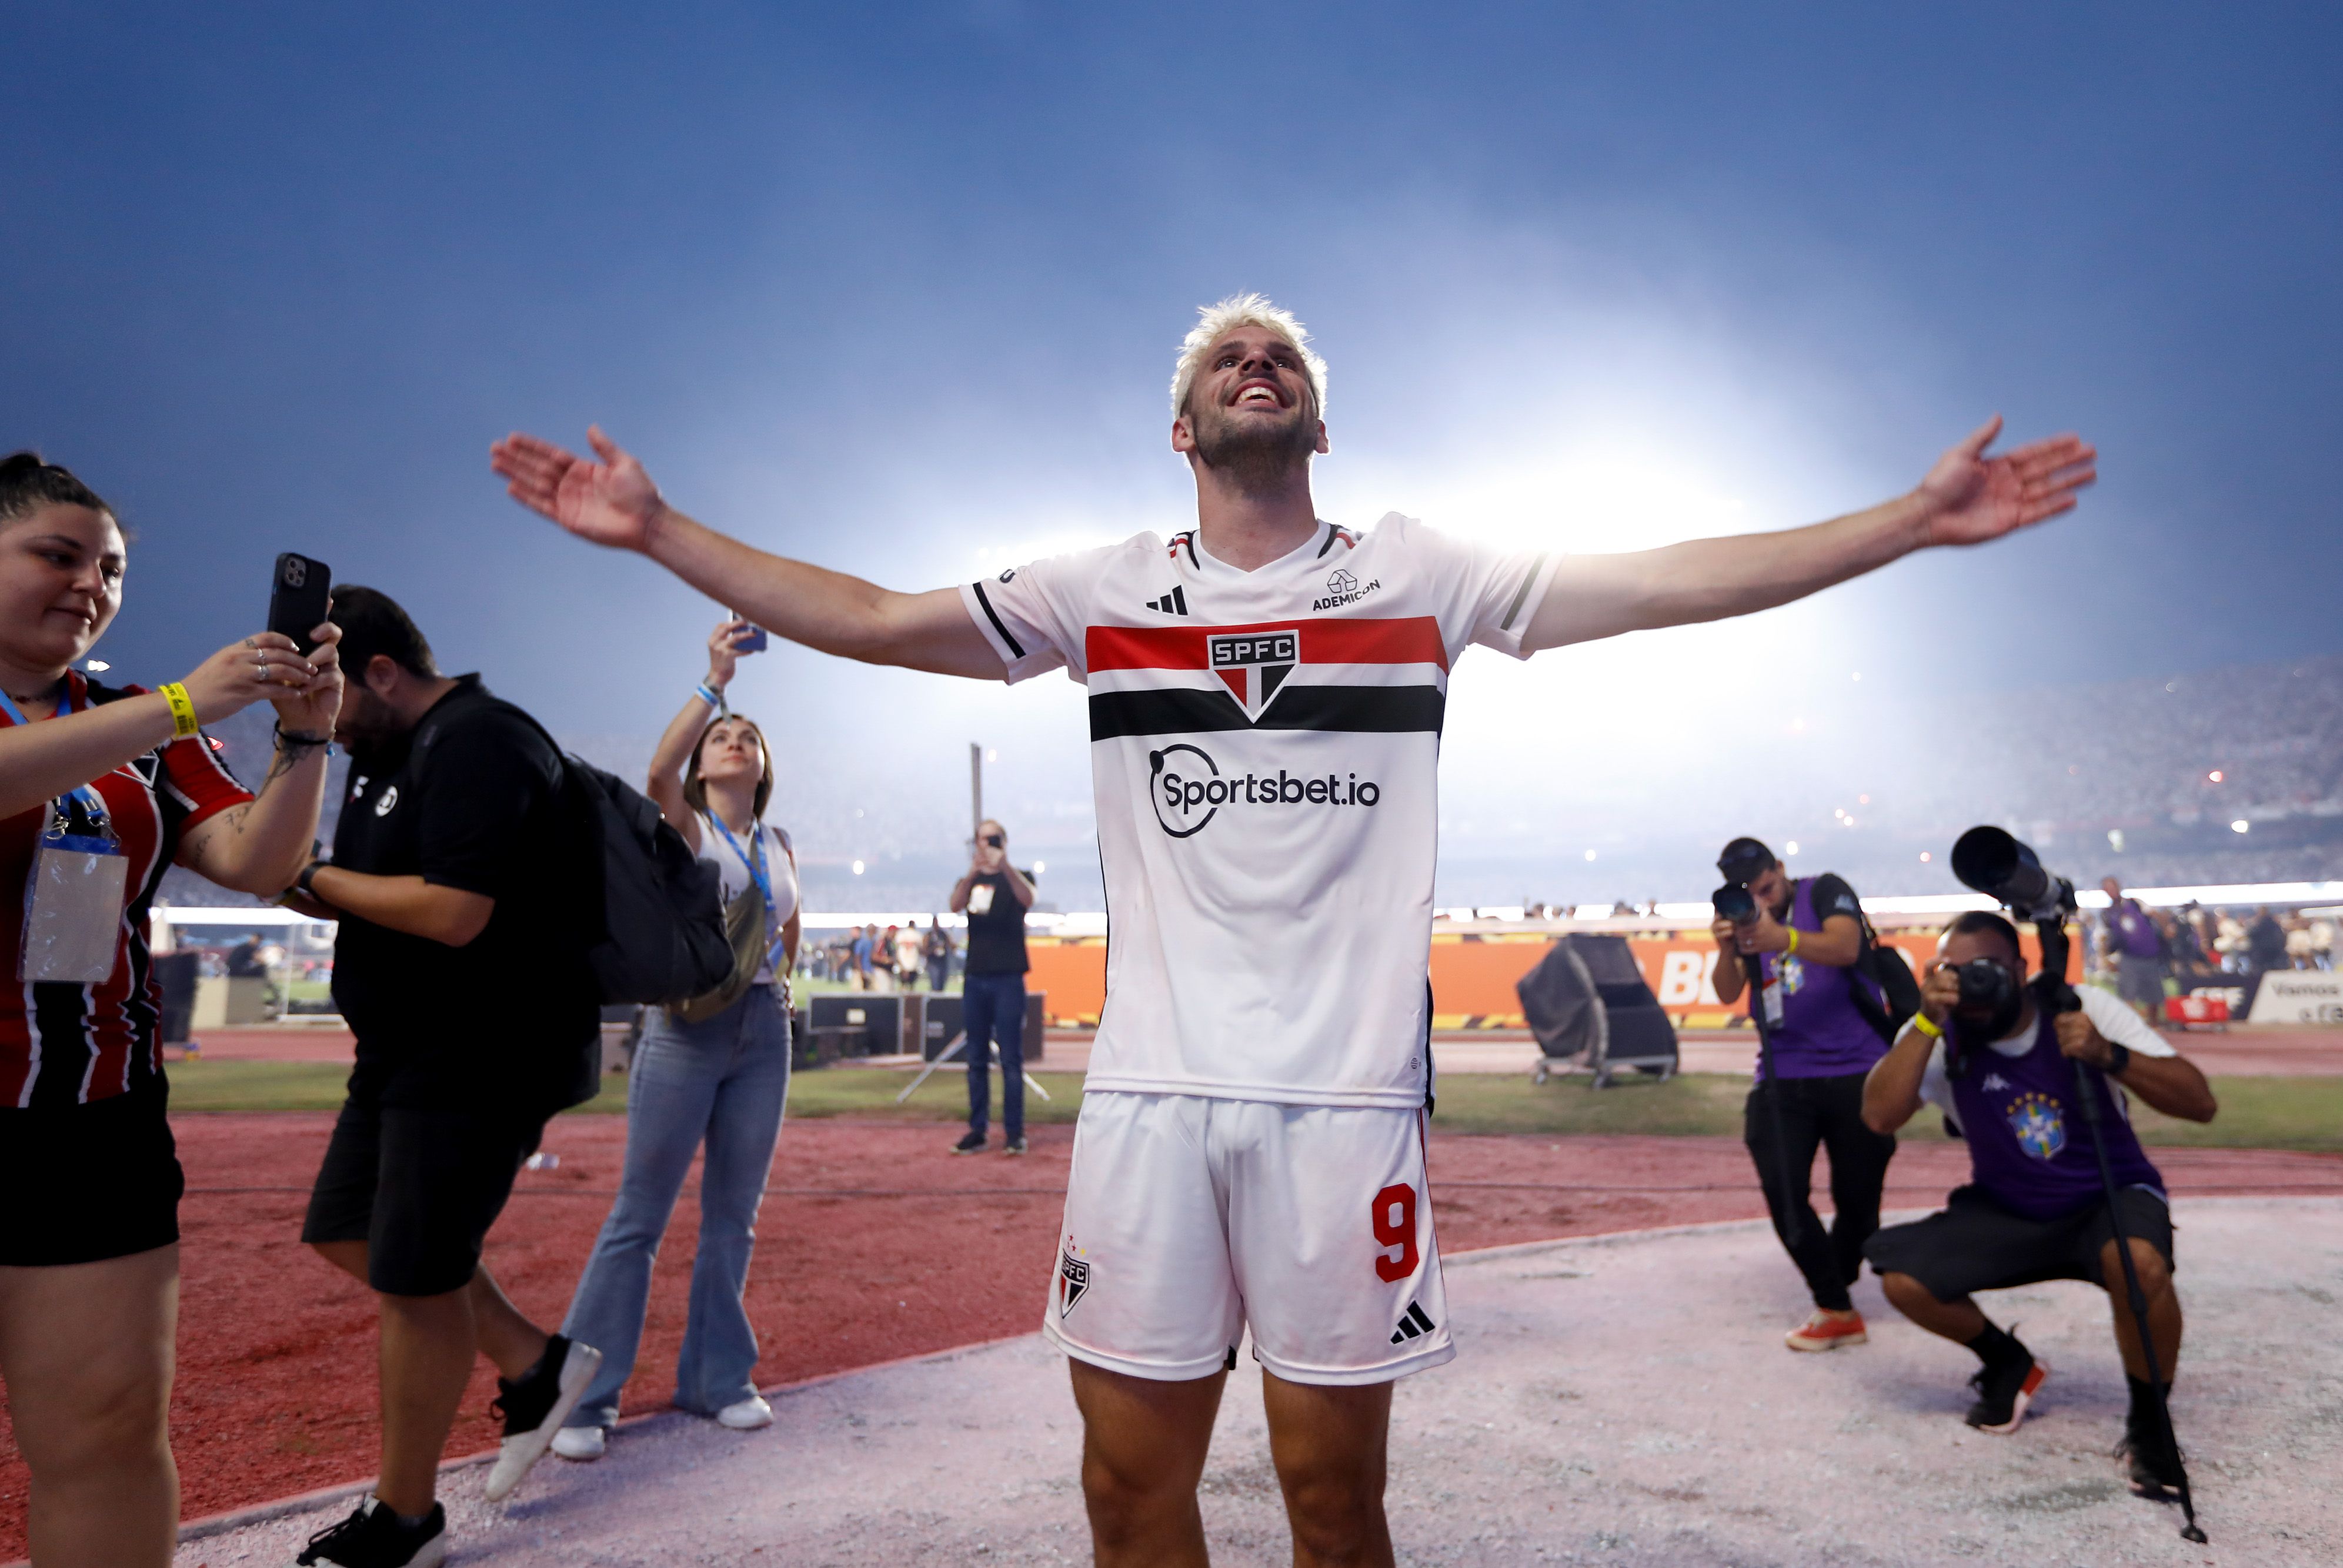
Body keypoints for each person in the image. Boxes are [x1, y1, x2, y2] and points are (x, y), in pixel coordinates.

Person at [493, 291, 2095, 1565]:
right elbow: (881, 616)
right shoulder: (1103, 588)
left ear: (1317, 415)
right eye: (1224, 358)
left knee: (1337, 1516)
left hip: (1343, 1111)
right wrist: (661, 529)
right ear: (1179, 425)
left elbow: (1668, 580)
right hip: (1149, 1101)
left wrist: (1902, 520)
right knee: (1128, 1503)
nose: (1255, 365)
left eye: (1282, 356)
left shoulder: (1419, 572)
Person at [0, 453, 341, 1568]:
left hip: (89, 1122)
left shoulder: (130, 717)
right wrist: (186, 700)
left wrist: (303, 741)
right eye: (57, 555)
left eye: (111, 570)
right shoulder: (155, 712)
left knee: (105, 1432)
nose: (90, 585)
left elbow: (253, 860)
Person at [286, 587, 604, 1568]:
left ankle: (406, 1518)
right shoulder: (386, 753)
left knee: (415, 1275)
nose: (323, 732)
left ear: (378, 672)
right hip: (403, 1050)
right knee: (347, 1228)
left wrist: (306, 879)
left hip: (480, 1049)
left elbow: (456, 911)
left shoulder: (478, 740)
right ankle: (536, 1362)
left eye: (326, 703)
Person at [553, 618, 799, 1463]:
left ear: (763, 767)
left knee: (735, 1218)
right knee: (639, 1215)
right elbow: (656, 769)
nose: (735, 741)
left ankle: (718, 1377)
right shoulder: (687, 827)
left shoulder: (779, 841)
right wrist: (715, 682)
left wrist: (784, 982)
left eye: (747, 737)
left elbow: (780, 921)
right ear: (703, 764)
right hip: (686, 1028)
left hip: (765, 1030)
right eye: (722, 736)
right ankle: (582, 1396)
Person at [1860, 912, 2216, 1497]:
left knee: (2139, 1264)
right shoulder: (1938, 1027)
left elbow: (2200, 1103)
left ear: (2021, 971)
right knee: (1902, 1279)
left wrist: (2109, 1056)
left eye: (1988, 971)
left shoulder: (2080, 1008)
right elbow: (1877, 1116)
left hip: (2107, 1195)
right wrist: (1924, 1018)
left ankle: (2151, 1424)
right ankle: (2007, 1363)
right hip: (2009, 1208)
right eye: (1955, 970)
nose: (1973, 985)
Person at [1708, 840, 1897, 1352]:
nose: (1760, 900)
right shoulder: (1744, 920)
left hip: (1858, 1070)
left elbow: (1845, 947)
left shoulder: (1825, 891)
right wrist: (1730, 945)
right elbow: (1727, 992)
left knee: (1858, 1204)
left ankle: (1837, 1274)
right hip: (1782, 1074)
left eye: (1767, 887)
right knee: (1784, 1191)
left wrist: (1779, 936)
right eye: (1749, 893)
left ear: (1782, 872)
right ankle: (1835, 1305)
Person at [950, 819, 1036, 1155]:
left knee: (1011, 1060)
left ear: (1004, 841)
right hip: (976, 977)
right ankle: (978, 1130)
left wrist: (1005, 867)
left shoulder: (1020, 875)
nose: (985, 845)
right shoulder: (970, 881)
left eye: (992, 839)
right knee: (975, 1059)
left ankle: (1015, 1132)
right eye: (980, 840)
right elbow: (954, 904)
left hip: (1009, 978)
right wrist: (974, 873)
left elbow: (1027, 898)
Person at [2100, 877, 2167, 1026]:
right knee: (2128, 992)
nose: (2111, 891)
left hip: (2149, 954)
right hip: (2128, 956)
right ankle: (2132, 1027)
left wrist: (2166, 931)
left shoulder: (2135, 903)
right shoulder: (2108, 913)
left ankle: (2153, 1025)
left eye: (2112, 887)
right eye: (2107, 889)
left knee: (2154, 995)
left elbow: (2155, 915)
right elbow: (2107, 937)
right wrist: (2106, 958)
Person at [893, 918, 926, 992]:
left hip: (909, 962)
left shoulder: (902, 934)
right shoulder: (915, 935)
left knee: (907, 985)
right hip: (907, 962)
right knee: (908, 985)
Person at [924, 914, 954, 992]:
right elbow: (925, 949)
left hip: (942, 962)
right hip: (933, 962)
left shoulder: (943, 934)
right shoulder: (929, 935)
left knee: (942, 982)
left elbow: (950, 945)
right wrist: (933, 949)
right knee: (935, 983)